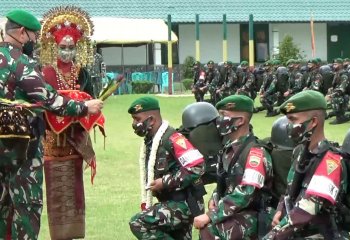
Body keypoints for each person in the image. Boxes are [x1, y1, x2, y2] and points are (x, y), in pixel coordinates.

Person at [0, 9, 103, 240]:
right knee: (26, 207)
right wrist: (85, 107)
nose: (35, 42)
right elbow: (50, 100)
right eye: (34, 36)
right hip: (22, 149)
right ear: (23, 33)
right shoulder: (21, 63)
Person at [39, 6, 105, 240]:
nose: (67, 52)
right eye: (62, 47)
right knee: (57, 191)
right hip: (52, 143)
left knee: (75, 192)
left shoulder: (83, 73)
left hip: (75, 143)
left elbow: (91, 104)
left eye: (71, 48)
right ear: (52, 46)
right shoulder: (44, 73)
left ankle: (75, 233)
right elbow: (45, 106)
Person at [263, 90, 349, 239]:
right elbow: (290, 188)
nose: (288, 126)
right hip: (298, 230)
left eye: (293, 120)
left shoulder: (331, 161)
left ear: (313, 122)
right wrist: (280, 208)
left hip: (322, 234)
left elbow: (306, 210)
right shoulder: (300, 152)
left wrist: (271, 237)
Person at [194, 95, 274, 239]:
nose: (219, 120)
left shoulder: (255, 153)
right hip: (236, 211)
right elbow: (224, 178)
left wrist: (211, 214)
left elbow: (246, 193)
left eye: (224, 115)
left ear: (240, 120)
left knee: (211, 229)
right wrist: (215, 196)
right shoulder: (228, 148)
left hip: (255, 213)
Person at [128, 96, 206, 239]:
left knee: (138, 222)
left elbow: (197, 166)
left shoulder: (173, 139)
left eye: (137, 119)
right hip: (171, 202)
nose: (134, 123)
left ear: (151, 120)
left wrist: (164, 182)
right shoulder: (152, 141)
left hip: (185, 204)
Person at [326, 58, 350, 124]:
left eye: (336, 64)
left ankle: (340, 118)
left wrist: (331, 95)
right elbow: (336, 86)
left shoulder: (344, 74)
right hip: (339, 95)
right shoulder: (337, 73)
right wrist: (331, 89)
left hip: (344, 96)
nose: (334, 66)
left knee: (336, 98)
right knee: (334, 97)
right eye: (333, 64)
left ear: (341, 65)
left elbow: (342, 89)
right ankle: (338, 116)